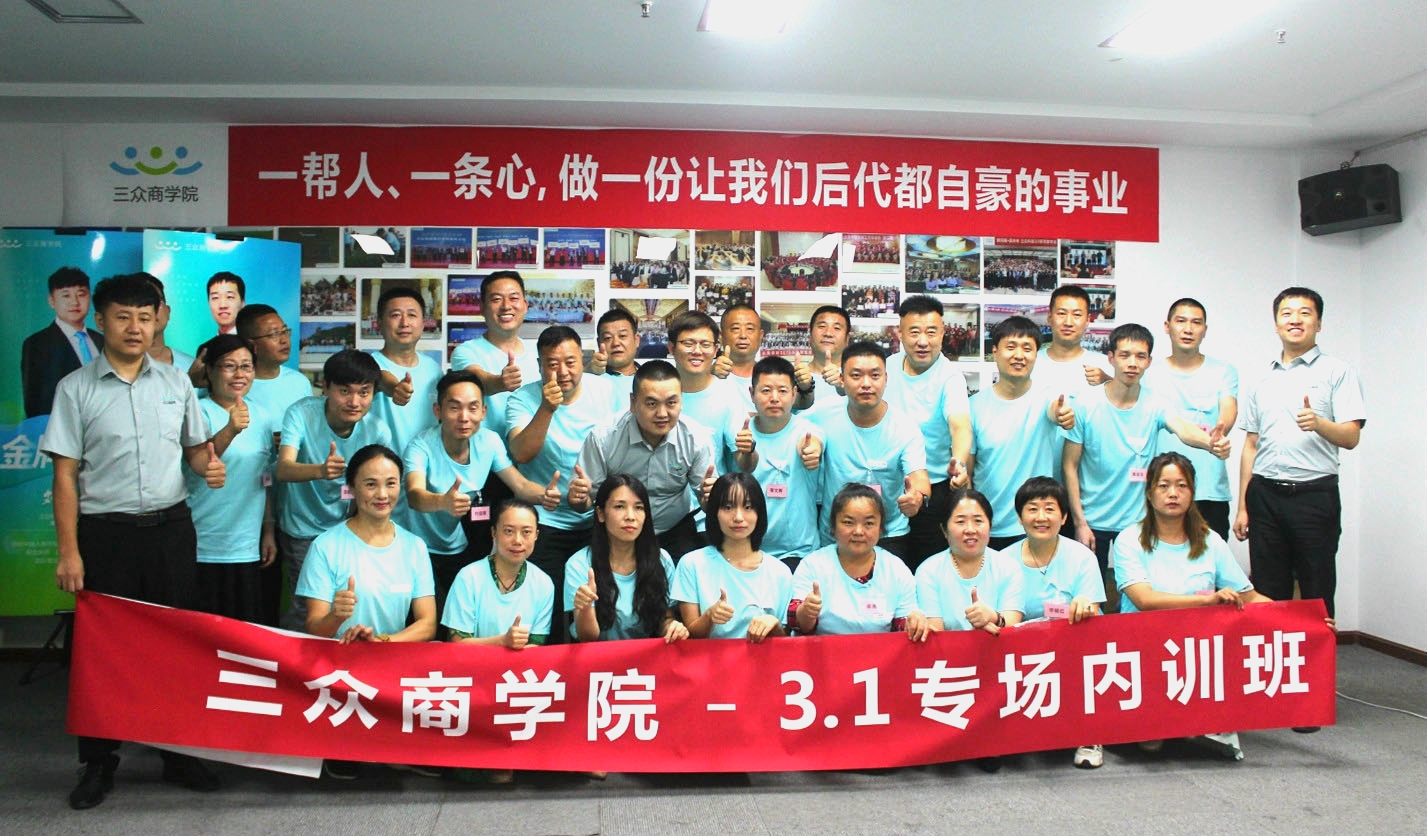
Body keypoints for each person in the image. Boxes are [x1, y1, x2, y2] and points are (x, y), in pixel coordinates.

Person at [41, 272, 225, 809]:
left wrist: (208, 465)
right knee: (103, 654)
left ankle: (178, 750)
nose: (135, 328)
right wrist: (70, 552)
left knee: (176, 645)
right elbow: (64, 476)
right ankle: (99, 761)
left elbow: (195, 451)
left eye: (145, 317)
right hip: (107, 535)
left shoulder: (175, 383)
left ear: (157, 321)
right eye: (123, 317)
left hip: (170, 531)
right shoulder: (75, 389)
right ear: (101, 321)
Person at [1115, 452, 1276, 761]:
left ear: (1192, 492)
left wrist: (1303, 621)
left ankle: (1192, 716)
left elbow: (1250, 598)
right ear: (1149, 492)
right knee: (1151, 743)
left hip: (1195, 649)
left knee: (1190, 729)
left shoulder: (1210, 540)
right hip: (1144, 646)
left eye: (1181, 486)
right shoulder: (1129, 540)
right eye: (1163, 486)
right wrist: (1206, 600)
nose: (1173, 494)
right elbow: (1145, 600)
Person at [1063, 323, 1229, 610]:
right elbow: (1069, 466)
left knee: (1136, 604)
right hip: (1092, 521)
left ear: (1149, 362)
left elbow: (1182, 428)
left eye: (1140, 356)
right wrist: (1079, 523)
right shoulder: (1085, 404)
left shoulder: (1155, 403)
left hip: (1138, 523)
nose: (1132, 363)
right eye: (1125, 355)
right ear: (1111, 358)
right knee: (1089, 603)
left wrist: (1210, 444)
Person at [296, 443, 436, 781]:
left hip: (393, 663)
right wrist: (337, 617)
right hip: (342, 670)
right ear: (352, 488)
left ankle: (392, 741)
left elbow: (428, 623)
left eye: (391, 483)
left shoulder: (414, 547)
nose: (382, 494)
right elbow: (314, 628)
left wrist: (383, 642)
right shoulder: (326, 547)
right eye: (370, 484)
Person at [1235, 287, 1365, 622]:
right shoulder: (1260, 377)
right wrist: (1243, 506)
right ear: (1276, 324)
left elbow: (1351, 436)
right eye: (1287, 313)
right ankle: (1272, 654)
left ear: (1318, 323)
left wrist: (1319, 424)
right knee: (1267, 590)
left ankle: (1319, 656)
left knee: (1316, 588)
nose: (1295, 320)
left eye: (1305, 313)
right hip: (1264, 495)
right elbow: (1251, 445)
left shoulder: (1338, 371)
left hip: (1314, 496)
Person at [404, 370, 556, 619]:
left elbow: (520, 485)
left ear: (483, 412)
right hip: (418, 548)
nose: (464, 417)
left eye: (472, 408)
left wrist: (546, 495)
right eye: (454, 408)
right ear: (437, 411)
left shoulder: (489, 442)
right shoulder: (420, 446)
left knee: (461, 617)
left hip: (457, 545)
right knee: (429, 621)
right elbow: (414, 495)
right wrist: (443, 502)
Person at [507, 325, 620, 628]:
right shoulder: (522, 398)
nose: (562, 372)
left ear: (583, 360)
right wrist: (547, 408)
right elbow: (521, 453)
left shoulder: (606, 390)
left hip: (598, 519)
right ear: (539, 365)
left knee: (601, 609)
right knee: (551, 612)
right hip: (547, 521)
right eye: (552, 364)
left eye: (570, 362)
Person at [275, 349, 392, 631]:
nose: (354, 402)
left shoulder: (377, 430)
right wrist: (320, 470)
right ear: (325, 387)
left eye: (364, 393)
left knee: (348, 601)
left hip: (348, 529)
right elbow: (283, 469)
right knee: (307, 606)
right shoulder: (301, 414)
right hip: (303, 528)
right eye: (344, 391)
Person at [443, 499, 555, 784]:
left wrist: (511, 656)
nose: (517, 540)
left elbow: (537, 648)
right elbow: (456, 646)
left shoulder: (544, 583)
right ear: (493, 533)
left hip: (515, 680)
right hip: (471, 676)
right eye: (508, 531)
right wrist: (502, 642)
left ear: (537, 535)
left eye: (526, 532)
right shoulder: (469, 577)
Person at [570, 360, 718, 562]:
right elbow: (584, 503)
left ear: (681, 401)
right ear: (633, 402)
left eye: (671, 403)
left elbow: (708, 504)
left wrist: (711, 499)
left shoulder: (696, 439)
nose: (662, 414)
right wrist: (580, 499)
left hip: (674, 529)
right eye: (651, 404)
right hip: (617, 532)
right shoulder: (604, 438)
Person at [1005, 476, 1106, 768]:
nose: (1041, 517)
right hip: (1023, 647)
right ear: (1020, 517)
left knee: (1090, 635)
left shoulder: (1082, 557)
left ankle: (1089, 734)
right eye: (1032, 509)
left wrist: (1084, 606)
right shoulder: (1003, 560)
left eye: (1050, 509)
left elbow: (1093, 607)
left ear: (1063, 518)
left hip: (1070, 643)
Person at [806, 341, 930, 561]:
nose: (866, 384)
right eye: (856, 376)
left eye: (875, 375)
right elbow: (793, 428)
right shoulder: (824, 413)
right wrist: (809, 445)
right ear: (842, 379)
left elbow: (918, 476)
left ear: (886, 379)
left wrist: (918, 497)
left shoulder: (905, 427)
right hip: (836, 532)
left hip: (888, 533)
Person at [185, 334, 279, 622]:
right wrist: (231, 429)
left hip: (247, 546)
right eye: (229, 366)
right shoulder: (196, 411)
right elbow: (201, 461)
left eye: (246, 366)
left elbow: (264, 477)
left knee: (244, 631)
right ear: (209, 371)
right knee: (202, 632)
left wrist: (268, 530)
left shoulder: (261, 415)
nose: (239, 374)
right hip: (202, 543)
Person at [235, 303, 312, 625]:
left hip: (294, 500)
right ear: (251, 344)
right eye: (273, 334)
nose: (284, 339)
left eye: (285, 331)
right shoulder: (239, 383)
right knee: (258, 586)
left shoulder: (299, 383)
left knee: (298, 589)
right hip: (247, 497)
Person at [970, 316, 1075, 550]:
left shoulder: (1049, 396)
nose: (1019, 355)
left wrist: (1062, 415)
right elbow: (968, 470)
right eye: (1011, 347)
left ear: (1036, 355)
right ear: (995, 352)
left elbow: (1055, 411)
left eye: (1027, 349)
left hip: (1033, 526)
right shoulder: (973, 407)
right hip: (987, 527)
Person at [885, 295, 972, 566]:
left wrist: (959, 463)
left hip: (934, 489)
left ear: (943, 333)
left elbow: (960, 425)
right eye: (914, 332)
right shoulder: (886, 368)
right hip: (888, 485)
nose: (923, 341)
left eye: (931, 332)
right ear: (900, 333)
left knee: (929, 564)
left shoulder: (950, 376)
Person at [1143, 298, 1239, 539]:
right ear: (1167, 326)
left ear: (1205, 329)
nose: (1188, 329)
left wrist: (1220, 432)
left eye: (1196, 323)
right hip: (1162, 490)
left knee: (1209, 558)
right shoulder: (1148, 374)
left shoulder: (1223, 371)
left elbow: (1229, 407)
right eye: (1181, 321)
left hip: (1208, 490)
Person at [791, 483, 929, 639]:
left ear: (881, 528)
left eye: (869, 523)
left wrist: (914, 622)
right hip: (824, 651)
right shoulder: (812, 565)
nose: (858, 531)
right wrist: (806, 613)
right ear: (833, 526)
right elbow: (797, 624)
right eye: (848, 522)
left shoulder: (896, 569)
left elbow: (904, 625)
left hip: (879, 652)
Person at [565, 474, 688, 642]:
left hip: (646, 655)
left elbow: (664, 620)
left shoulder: (661, 559)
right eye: (619, 507)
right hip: (599, 656)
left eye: (639, 508)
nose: (630, 516)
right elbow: (587, 638)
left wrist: (672, 628)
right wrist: (585, 608)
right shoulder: (579, 564)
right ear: (601, 514)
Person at [673, 472, 793, 641]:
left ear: (759, 513)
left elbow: (787, 642)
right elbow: (691, 635)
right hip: (710, 657)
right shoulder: (692, 564)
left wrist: (774, 626)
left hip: (762, 657)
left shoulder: (780, 572)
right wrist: (709, 616)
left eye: (748, 507)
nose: (738, 517)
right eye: (728, 507)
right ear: (715, 512)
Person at [732, 357, 824, 570]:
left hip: (799, 552)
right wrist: (746, 451)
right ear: (752, 394)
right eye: (766, 391)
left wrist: (811, 452)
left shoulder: (809, 430)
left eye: (782, 391)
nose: (774, 398)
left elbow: (812, 444)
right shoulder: (741, 433)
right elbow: (744, 462)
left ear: (794, 394)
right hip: (749, 549)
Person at [915, 488, 1025, 636]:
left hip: (999, 648)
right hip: (949, 650)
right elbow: (935, 634)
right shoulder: (928, 571)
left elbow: (1012, 627)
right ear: (944, 530)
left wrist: (994, 618)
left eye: (978, 521)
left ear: (990, 526)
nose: (970, 530)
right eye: (961, 522)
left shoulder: (1009, 567)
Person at [450, 270, 538, 443]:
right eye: (496, 299)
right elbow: (476, 381)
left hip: (532, 454)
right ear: (482, 308)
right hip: (484, 456)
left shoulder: (538, 352)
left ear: (525, 305)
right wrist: (500, 382)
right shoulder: (467, 351)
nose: (506, 306)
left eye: (513, 298)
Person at [368, 286, 441, 460]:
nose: (404, 323)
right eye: (395, 315)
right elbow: (379, 377)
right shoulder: (367, 365)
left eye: (412, 315)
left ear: (423, 323)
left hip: (425, 469)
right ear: (379, 323)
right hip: (380, 470)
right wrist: (394, 388)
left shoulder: (434, 369)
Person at [21, 266, 103, 418]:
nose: (75, 302)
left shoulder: (102, 340)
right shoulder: (37, 344)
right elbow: (35, 403)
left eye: (81, 294)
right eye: (66, 296)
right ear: (52, 301)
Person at [589, 306, 640, 399]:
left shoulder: (651, 377)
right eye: (608, 338)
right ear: (599, 343)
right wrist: (588, 372)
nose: (616, 343)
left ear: (636, 340)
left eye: (622, 336)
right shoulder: (590, 380)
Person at [805, 304, 850, 403]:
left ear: (847, 339)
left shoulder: (859, 378)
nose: (828, 333)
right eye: (822, 326)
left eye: (837, 328)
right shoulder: (792, 376)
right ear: (810, 336)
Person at [207, 271, 245, 335]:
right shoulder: (210, 342)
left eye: (229, 297)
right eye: (215, 297)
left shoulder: (254, 340)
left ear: (242, 303)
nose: (223, 305)